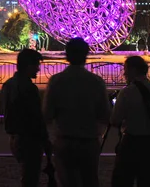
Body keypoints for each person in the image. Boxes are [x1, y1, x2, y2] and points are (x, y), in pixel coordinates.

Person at [43, 38, 111, 187]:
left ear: (66, 55)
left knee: (68, 182)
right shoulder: (97, 82)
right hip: (89, 142)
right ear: (86, 55)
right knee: (90, 180)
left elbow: (47, 114)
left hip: (64, 141)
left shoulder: (56, 81)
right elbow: (105, 114)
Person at [110, 56, 150, 187]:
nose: (124, 73)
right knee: (149, 180)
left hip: (131, 142)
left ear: (133, 70)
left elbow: (115, 120)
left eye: (126, 69)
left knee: (123, 180)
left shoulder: (126, 92)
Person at [2, 49, 52, 187]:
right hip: (29, 139)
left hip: (14, 137)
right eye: (36, 65)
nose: (38, 69)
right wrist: (45, 141)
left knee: (27, 175)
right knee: (30, 177)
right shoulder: (29, 88)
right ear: (28, 65)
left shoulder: (8, 85)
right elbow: (36, 117)